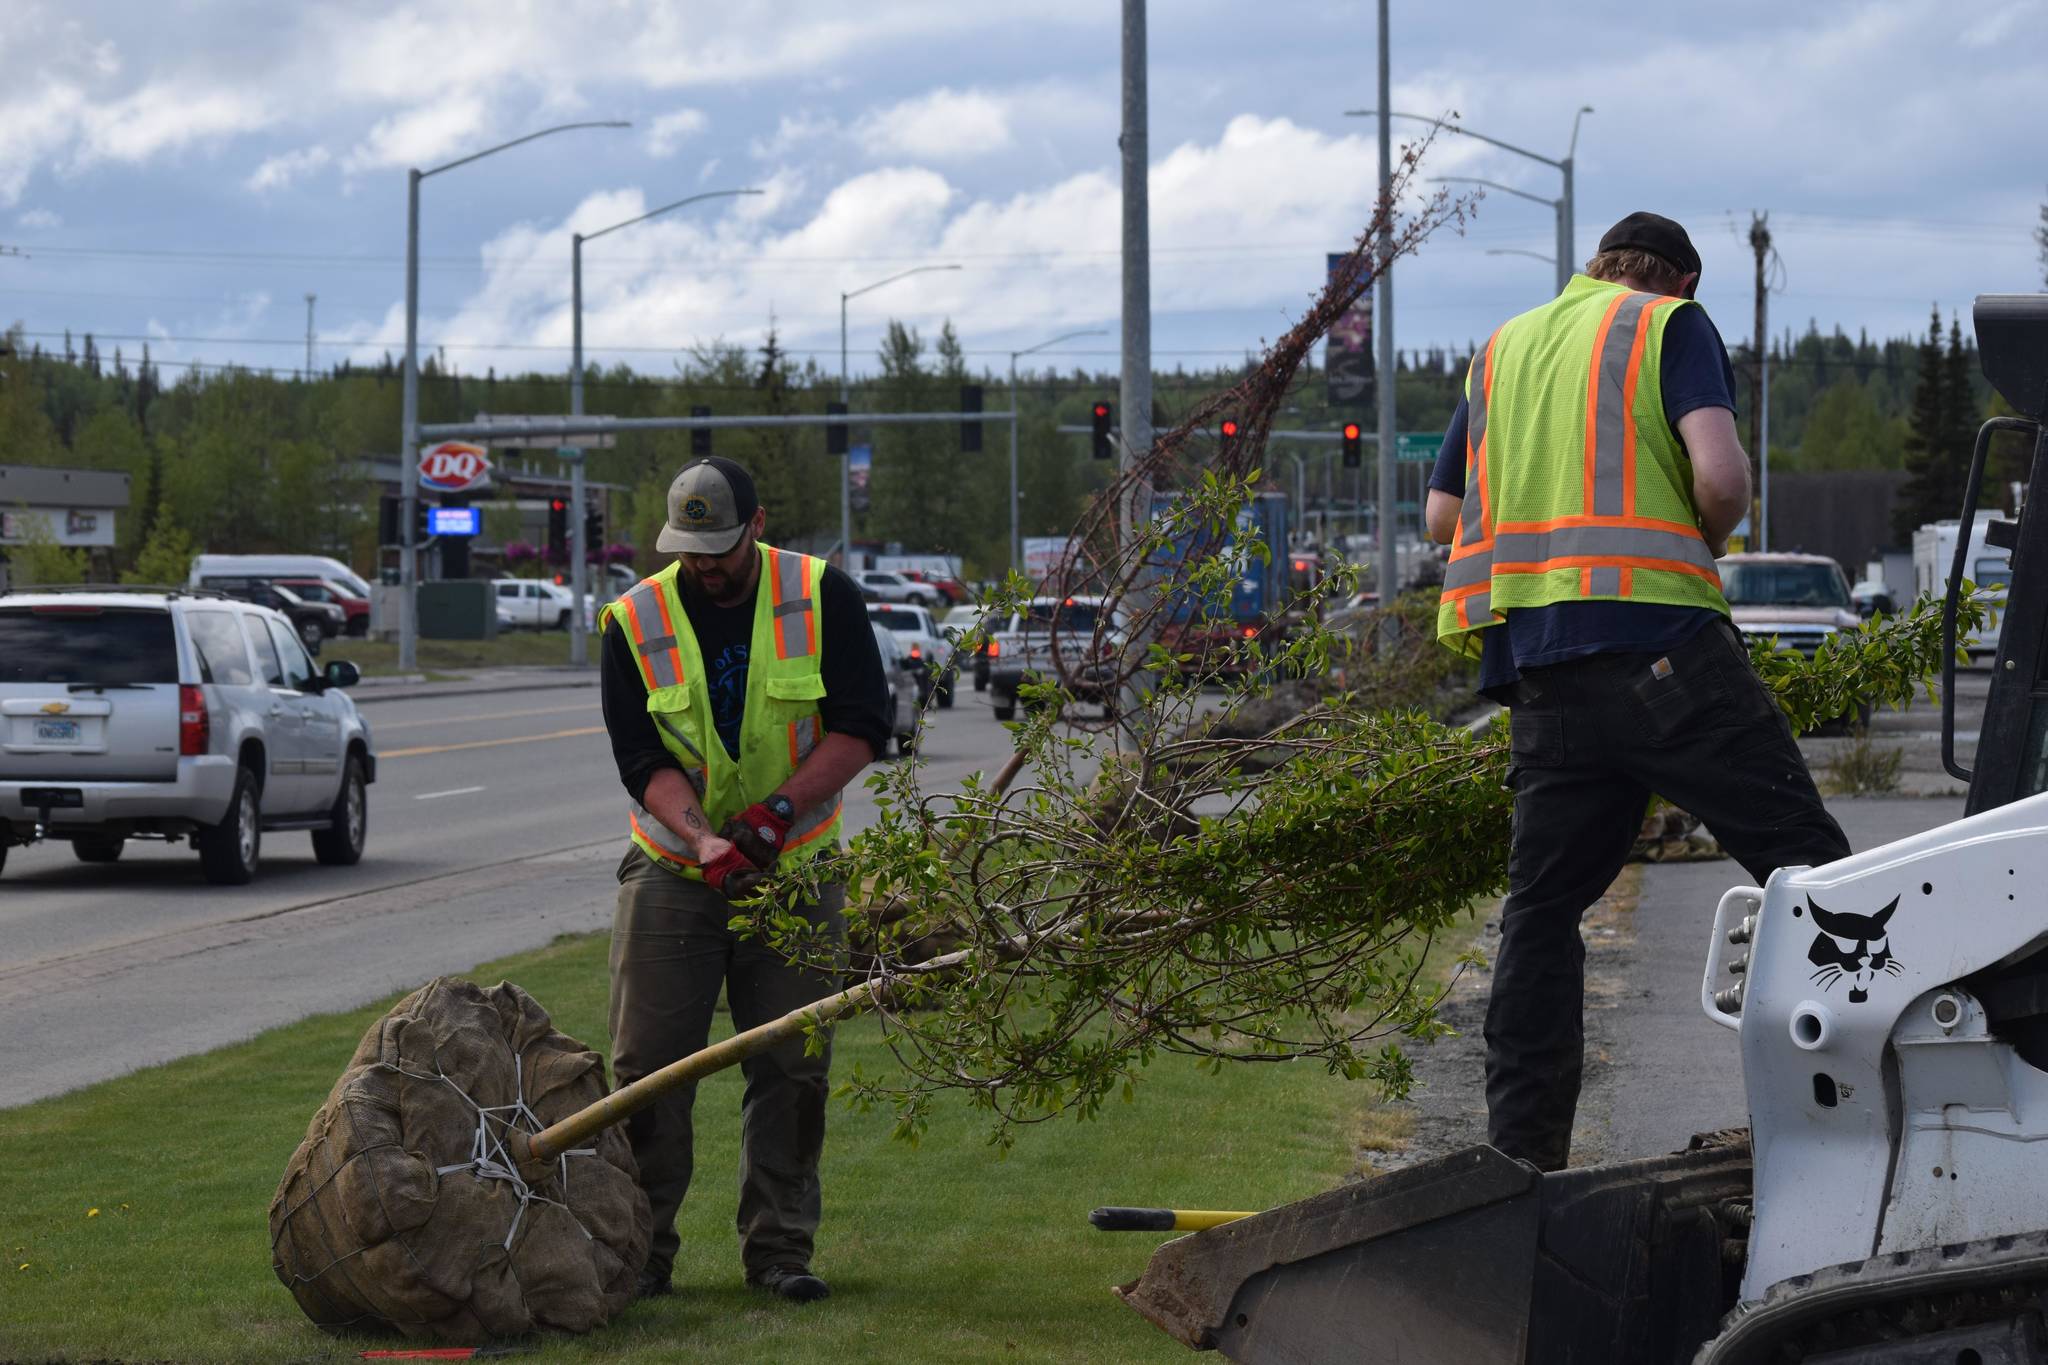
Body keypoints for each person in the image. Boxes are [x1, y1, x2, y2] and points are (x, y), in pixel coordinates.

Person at [1424, 212, 1850, 1173]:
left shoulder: (1504, 349)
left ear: (1596, 269)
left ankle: (1519, 1161)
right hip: (1665, 656)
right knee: (1814, 873)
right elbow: (1722, 480)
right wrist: (1706, 530)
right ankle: (1864, 1114)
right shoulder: (1669, 325)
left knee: (1542, 911)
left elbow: (1442, 511)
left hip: (1543, 676)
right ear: (1682, 281)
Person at [598, 456, 890, 1302]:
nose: (705, 565)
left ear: (757, 527)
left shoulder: (820, 594)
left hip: (793, 868)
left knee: (792, 1066)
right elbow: (641, 757)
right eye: (689, 549)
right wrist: (702, 837)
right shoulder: (633, 618)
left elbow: (863, 725)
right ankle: (639, 1256)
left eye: (720, 547)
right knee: (649, 1069)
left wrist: (774, 818)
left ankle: (779, 1254)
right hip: (672, 869)